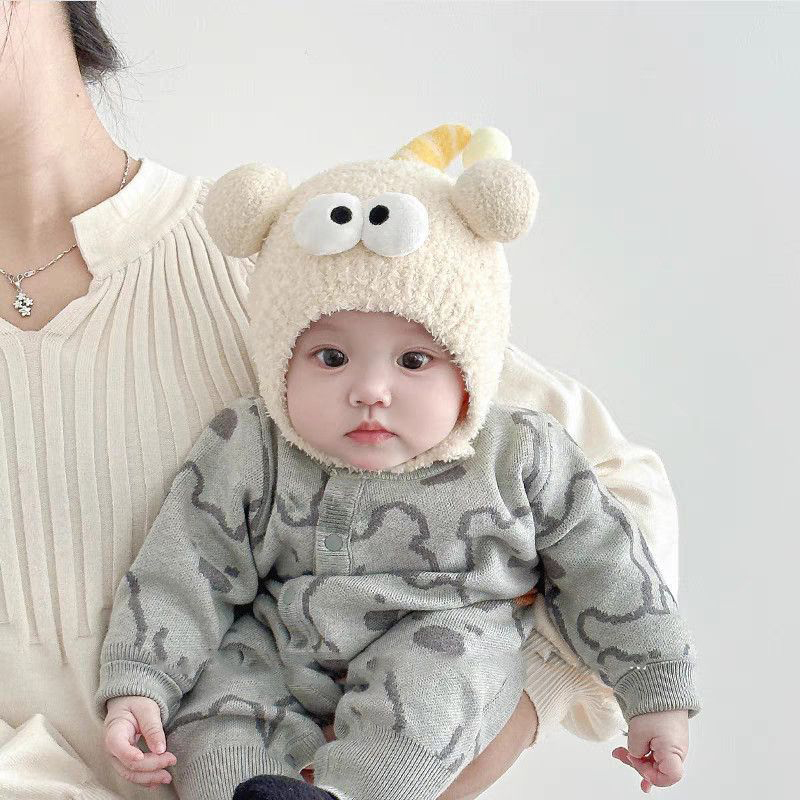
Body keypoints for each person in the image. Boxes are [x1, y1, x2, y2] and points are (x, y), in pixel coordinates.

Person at [0, 3, 683, 798]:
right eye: (332, 360)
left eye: (410, 362)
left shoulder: (292, 259)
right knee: (225, 703)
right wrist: (140, 685)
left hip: (406, 705)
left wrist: (499, 700)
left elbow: (616, 502)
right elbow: (185, 567)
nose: (369, 388)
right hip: (247, 689)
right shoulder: (251, 433)